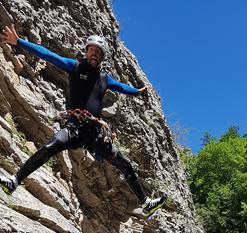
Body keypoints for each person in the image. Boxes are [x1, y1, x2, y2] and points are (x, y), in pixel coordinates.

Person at [0, 24, 166, 217]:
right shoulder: (75, 67)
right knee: (49, 148)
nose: (94, 53)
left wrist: (137, 91)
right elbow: (48, 55)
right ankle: (14, 181)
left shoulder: (105, 79)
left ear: (102, 56)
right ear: (87, 51)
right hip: (74, 127)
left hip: (94, 134)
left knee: (124, 164)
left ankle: (146, 203)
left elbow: (121, 87)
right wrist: (18, 42)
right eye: (92, 49)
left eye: (98, 51)